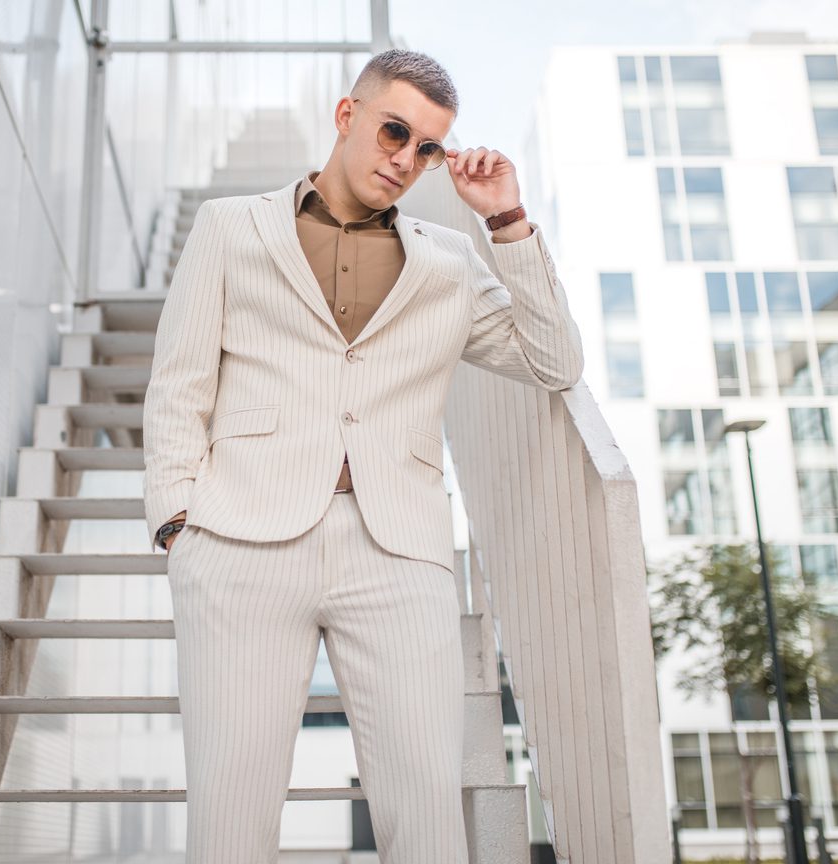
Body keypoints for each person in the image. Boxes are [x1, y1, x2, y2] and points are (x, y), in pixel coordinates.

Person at [143, 47, 584, 863]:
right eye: (394, 131)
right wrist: (178, 523)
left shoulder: (447, 264)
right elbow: (178, 384)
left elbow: (554, 362)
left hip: (397, 551)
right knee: (229, 822)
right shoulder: (230, 227)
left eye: (426, 148)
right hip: (240, 543)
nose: (405, 159)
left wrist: (504, 220)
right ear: (348, 116)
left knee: (424, 820)